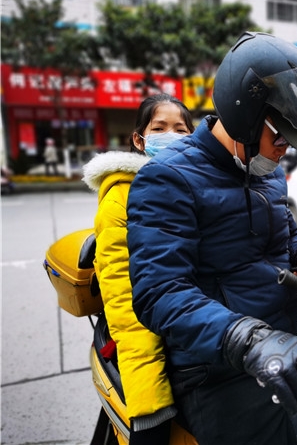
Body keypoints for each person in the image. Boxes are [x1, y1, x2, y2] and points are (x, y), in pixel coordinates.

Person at [126, 32, 297, 445]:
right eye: (280, 137)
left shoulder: (267, 171)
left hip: (288, 337)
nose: (284, 151)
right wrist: (248, 341)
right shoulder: (167, 178)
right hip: (218, 365)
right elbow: (159, 291)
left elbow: (285, 234)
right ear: (244, 118)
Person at [82, 93, 195, 444]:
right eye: (159, 128)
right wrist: (150, 397)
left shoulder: (201, 184)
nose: (171, 136)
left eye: (180, 130)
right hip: (154, 342)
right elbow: (122, 297)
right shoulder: (120, 197)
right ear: (139, 139)